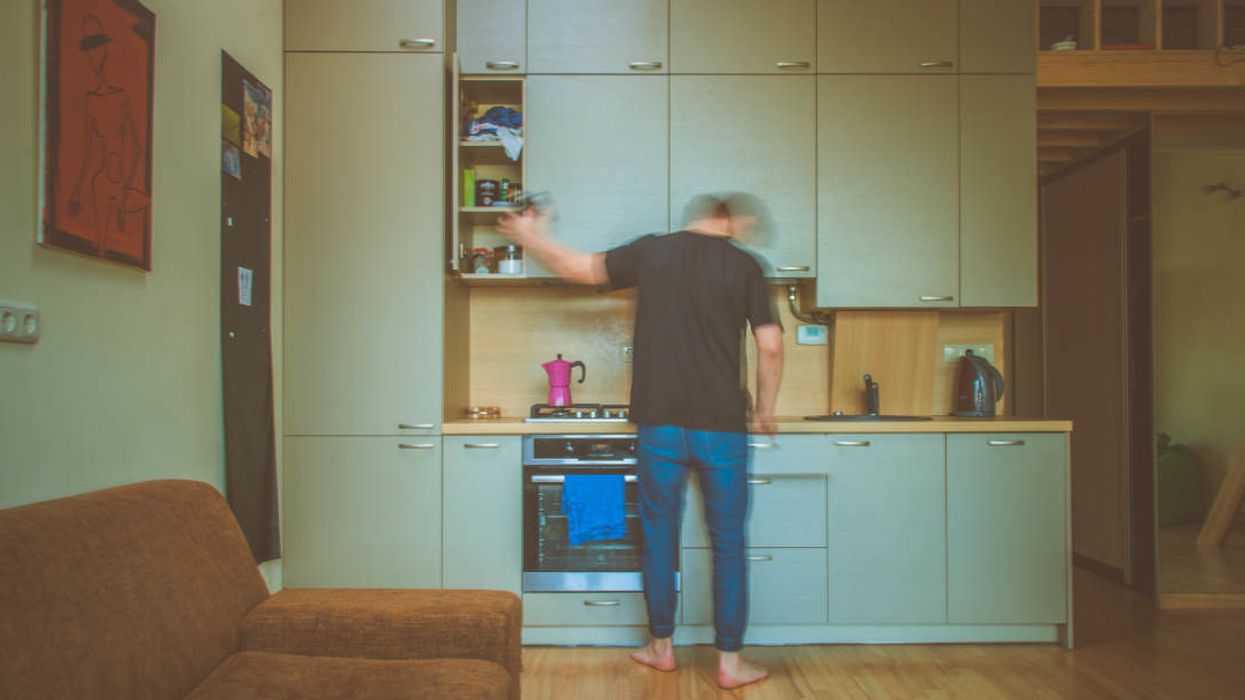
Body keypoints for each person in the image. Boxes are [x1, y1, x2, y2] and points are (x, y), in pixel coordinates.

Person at [497, 194, 784, 690]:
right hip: (723, 428)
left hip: (660, 424)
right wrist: (764, 409)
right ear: (728, 221)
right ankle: (730, 663)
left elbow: (576, 268)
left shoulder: (653, 251)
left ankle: (661, 648)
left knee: (658, 534)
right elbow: (772, 346)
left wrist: (530, 235)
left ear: (696, 218)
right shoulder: (745, 266)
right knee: (728, 544)